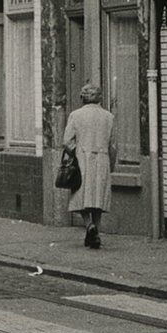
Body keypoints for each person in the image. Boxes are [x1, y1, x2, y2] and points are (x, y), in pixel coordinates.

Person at [63, 81, 118, 248]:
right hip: (102, 159)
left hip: (82, 159)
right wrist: (111, 163)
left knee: (81, 196)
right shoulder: (108, 117)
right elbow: (113, 145)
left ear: (83, 98)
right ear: (99, 98)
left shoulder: (75, 115)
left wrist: (76, 152)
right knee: (98, 198)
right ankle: (96, 233)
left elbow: (67, 141)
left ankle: (89, 226)